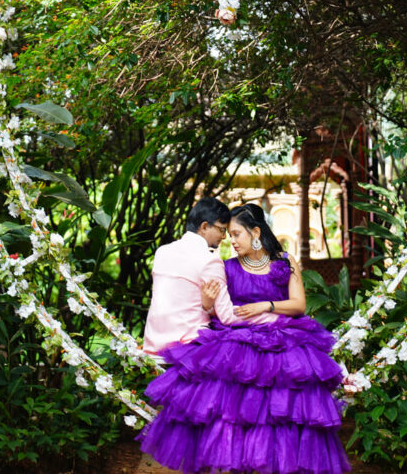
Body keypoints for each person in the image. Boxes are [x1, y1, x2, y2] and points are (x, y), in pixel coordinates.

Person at [139, 203, 352, 474]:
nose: (231, 240)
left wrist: (268, 306)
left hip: (280, 338)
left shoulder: (285, 261)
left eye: (236, 234)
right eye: (228, 233)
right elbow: (220, 309)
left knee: (282, 412)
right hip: (238, 342)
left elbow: (299, 305)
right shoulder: (226, 266)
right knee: (234, 413)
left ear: (255, 232)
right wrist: (206, 302)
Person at [143, 197, 276, 356]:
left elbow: (181, 300)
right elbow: (227, 316)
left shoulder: (162, 252)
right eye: (221, 230)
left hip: (153, 343)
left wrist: (208, 306)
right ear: (204, 226)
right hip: (188, 346)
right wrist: (271, 316)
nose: (224, 237)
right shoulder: (209, 260)